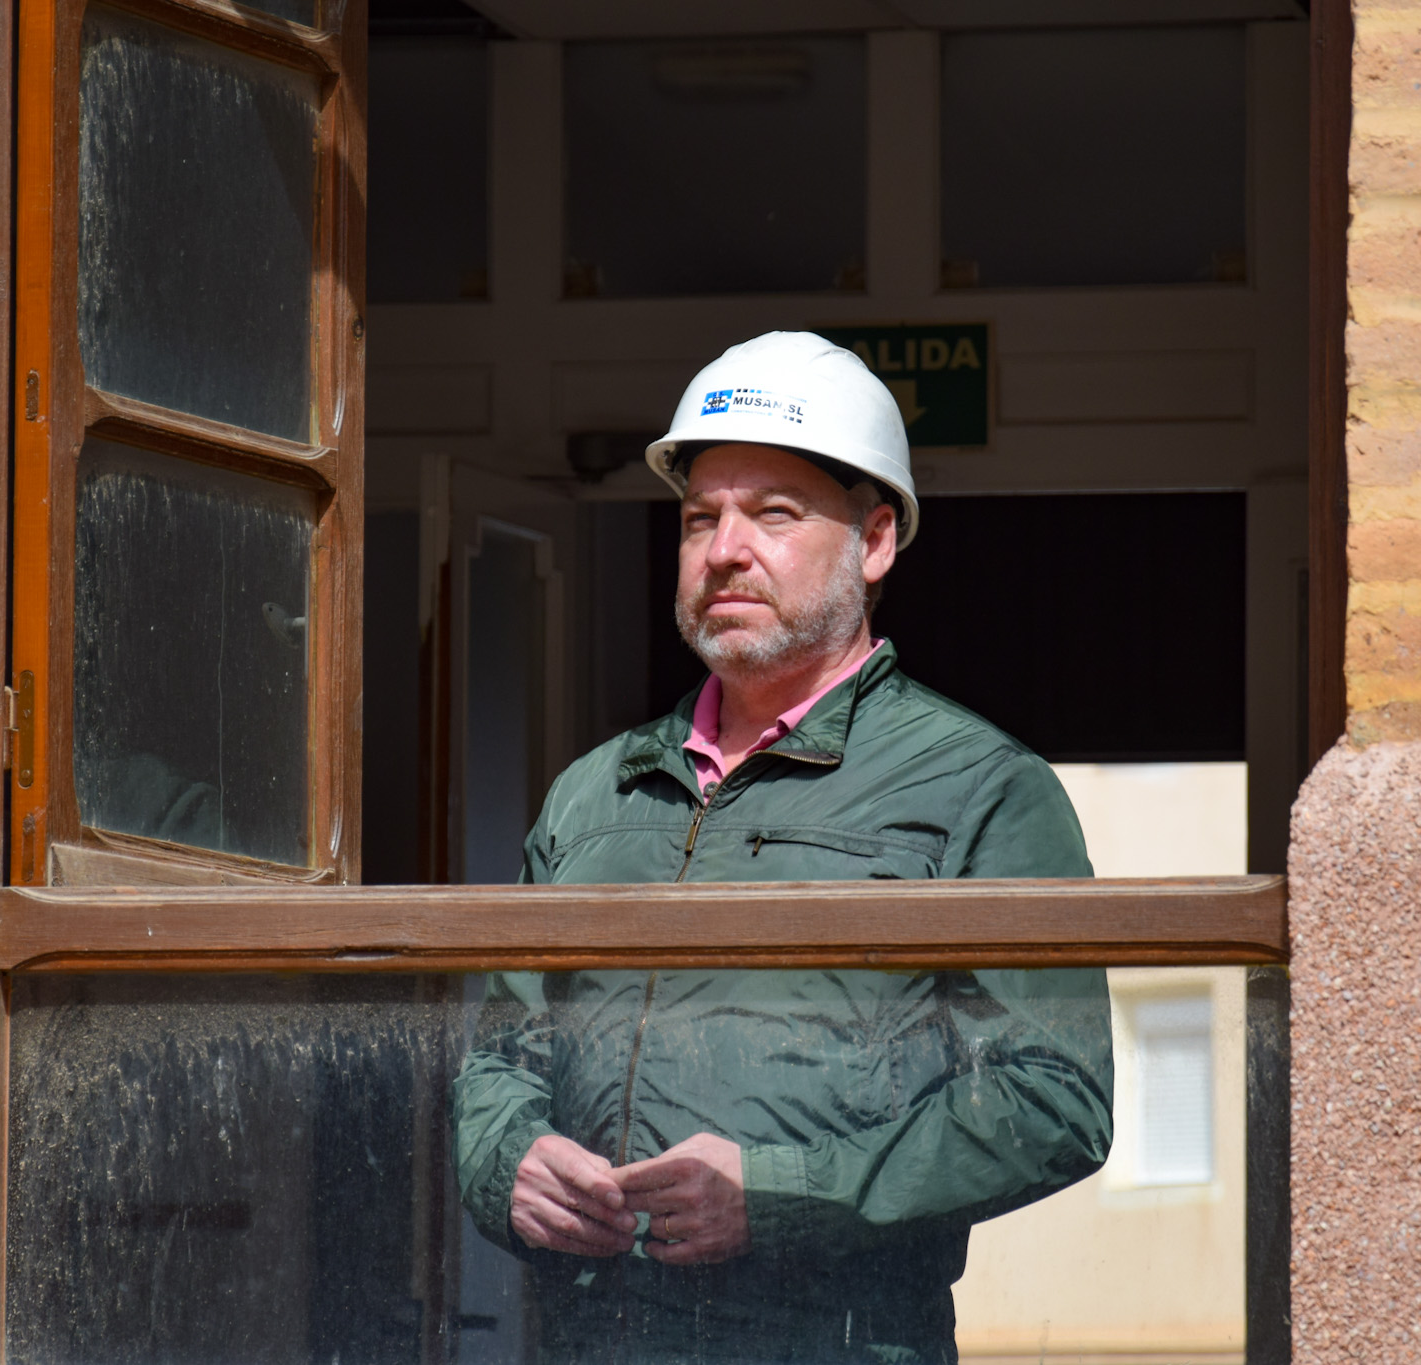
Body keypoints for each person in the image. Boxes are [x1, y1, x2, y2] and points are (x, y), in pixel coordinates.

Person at [451, 332, 1113, 1365]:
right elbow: (502, 1054)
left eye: (773, 514)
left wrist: (777, 1196)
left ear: (875, 540)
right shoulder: (592, 793)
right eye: (698, 518)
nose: (724, 549)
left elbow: (1053, 1098)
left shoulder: (983, 789)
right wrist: (508, 1161)